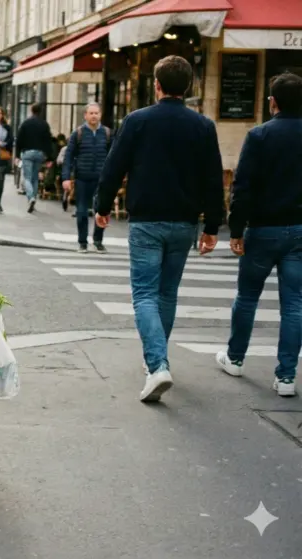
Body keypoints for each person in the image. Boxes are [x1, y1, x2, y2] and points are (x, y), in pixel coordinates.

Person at [95, 55, 225, 403]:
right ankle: (156, 360)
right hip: (184, 221)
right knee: (166, 293)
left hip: (147, 219)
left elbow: (114, 166)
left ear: (156, 85)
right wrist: (212, 224)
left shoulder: (137, 121)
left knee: (144, 293)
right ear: (189, 87)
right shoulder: (203, 126)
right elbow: (214, 179)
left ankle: (157, 364)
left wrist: (102, 206)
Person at [216, 72, 302, 398]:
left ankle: (236, 358)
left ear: (272, 102)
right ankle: (286, 377)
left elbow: (243, 186)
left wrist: (236, 229)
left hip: (264, 229)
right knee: (294, 305)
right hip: (300, 231)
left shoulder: (259, 136)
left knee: (247, 296)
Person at [63, 103, 113, 252]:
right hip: (82, 178)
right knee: (82, 211)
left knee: (101, 210)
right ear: (85, 115)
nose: (93, 116)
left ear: (100, 115)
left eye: (96, 113)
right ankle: (82, 242)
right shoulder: (77, 133)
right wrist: (66, 177)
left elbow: (114, 157)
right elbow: (68, 157)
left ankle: (98, 240)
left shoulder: (108, 133)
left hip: (101, 179)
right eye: (91, 113)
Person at [14, 103, 53, 213]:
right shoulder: (44, 124)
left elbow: (19, 140)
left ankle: (30, 197)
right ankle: (34, 198)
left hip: (27, 153)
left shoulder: (25, 123)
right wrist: (50, 158)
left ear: (31, 110)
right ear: (41, 111)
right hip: (40, 154)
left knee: (27, 177)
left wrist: (17, 155)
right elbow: (48, 141)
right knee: (35, 178)